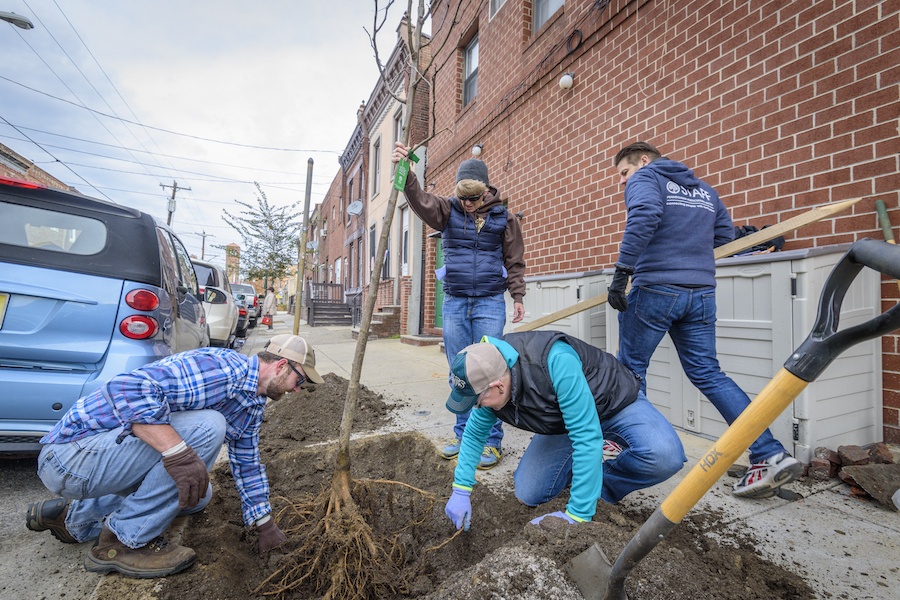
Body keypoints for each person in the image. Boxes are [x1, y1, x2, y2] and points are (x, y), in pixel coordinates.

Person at [24, 334, 325, 578]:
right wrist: (178, 454)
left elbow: (247, 465)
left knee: (198, 495)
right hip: (72, 457)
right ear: (281, 365)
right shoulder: (224, 369)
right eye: (299, 381)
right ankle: (120, 543)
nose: (298, 390)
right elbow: (125, 388)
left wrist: (265, 524)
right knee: (209, 427)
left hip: (102, 462)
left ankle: (72, 519)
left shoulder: (251, 403)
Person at [607, 141, 802, 499]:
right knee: (709, 373)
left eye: (623, 173)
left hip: (656, 291)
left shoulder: (646, 178)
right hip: (700, 294)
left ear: (644, 161)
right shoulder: (704, 191)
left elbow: (645, 215)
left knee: (631, 370)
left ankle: (627, 448)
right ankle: (769, 453)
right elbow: (725, 239)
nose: (622, 182)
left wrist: (622, 273)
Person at [443, 332, 685, 530]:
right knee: (529, 492)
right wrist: (460, 489)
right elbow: (474, 435)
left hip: (614, 402)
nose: (477, 407)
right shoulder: (488, 381)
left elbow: (586, 437)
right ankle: (585, 478)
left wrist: (577, 515)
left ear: (497, 386)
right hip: (563, 419)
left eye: (477, 401)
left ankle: (598, 488)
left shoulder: (554, 361)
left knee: (664, 456)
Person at [391, 141, 526, 470]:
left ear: (486, 192)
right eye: (463, 197)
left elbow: (515, 259)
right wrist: (407, 172)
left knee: (492, 371)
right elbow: (420, 201)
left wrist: (518, 296)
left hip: (490, 303)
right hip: (455, 302)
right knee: (460, 374)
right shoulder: (447, 210)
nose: (467, 204)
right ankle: (464, 434)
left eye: (473, 198)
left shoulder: (503, 218)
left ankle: (491, 442)